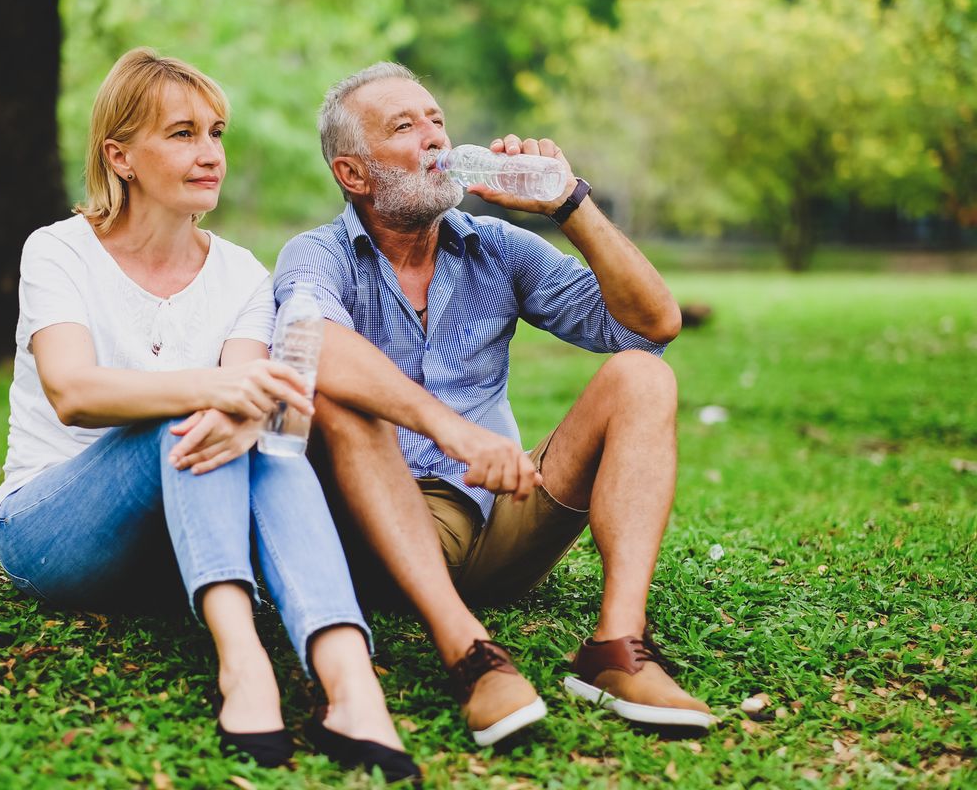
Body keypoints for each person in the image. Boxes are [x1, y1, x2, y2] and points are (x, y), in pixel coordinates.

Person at [0, 48, 418, 782]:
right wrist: (218, 393)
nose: (210, 153)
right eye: (183, 134)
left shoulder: (244, 276)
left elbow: (248, 410)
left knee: (254, 438)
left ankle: (349, 681)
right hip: (53, 528)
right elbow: (73, 390)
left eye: (216, 132)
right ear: (120, 156)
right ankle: (243, 659)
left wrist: (238, 404)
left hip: (178, 536)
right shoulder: (59, 251)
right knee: (191, 413)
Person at [273, 62, 714, 747]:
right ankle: (470, 654)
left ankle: (617, 649)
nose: (433, 138)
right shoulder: (319, 255)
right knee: (343, 402)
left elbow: (651, 324)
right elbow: (312, 344)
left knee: (642, 376)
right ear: (353, 174)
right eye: (404, 126)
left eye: (436, 120)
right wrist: (456, 434)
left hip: (499, 515)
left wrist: (570, 206)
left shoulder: (497, 246)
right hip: (381, 525)